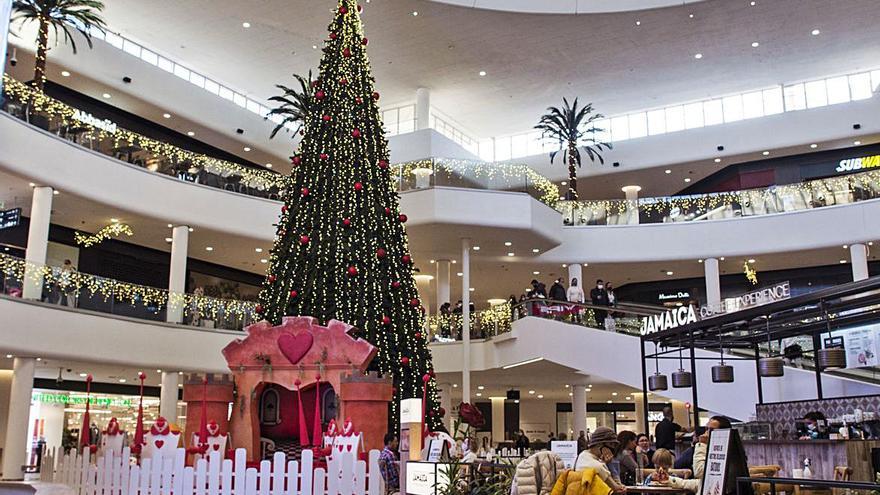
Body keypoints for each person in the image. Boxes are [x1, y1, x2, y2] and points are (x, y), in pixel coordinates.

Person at [574, 426, 627, 493]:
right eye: (611, 444)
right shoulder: (598, 466)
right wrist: (610, 463)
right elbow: (619, 489)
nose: (613, 448)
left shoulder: (581, 456)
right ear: (599, 444)